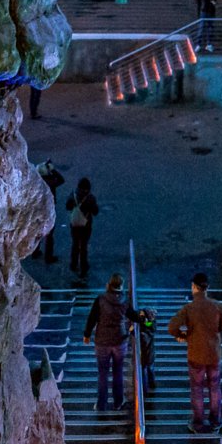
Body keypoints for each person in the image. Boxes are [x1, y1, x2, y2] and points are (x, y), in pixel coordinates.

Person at [169, 273, 222, 434]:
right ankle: (216, 420)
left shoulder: (188, 308)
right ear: (207, 287)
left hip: (196, 354)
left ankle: (197, 422)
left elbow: (172, 327)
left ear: (194, 287)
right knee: (215, 387)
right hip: (214, 354)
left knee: (197, 388)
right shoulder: (217, 306)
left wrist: (183, 335)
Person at [82, 274, 130, 414]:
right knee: (118, 371)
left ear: (108, 284)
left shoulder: (100, 299)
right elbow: (133, 316)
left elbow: (92, 318)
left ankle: (101, 404)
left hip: (102, 342)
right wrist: (147, 320)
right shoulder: (125, 301)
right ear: (121, 286)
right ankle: (118, 402)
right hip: (119, 341)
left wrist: (87, 335)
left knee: (103, 373)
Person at [66, 177, 100, 278]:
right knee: (84, 246)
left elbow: (68, 207)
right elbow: (95, 212)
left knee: (75, 244)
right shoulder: (90, 198)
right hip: (86, 225)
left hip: (75, 224)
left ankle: (73, 264)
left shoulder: (73, 195)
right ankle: (83, 266)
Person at [37, 161, 66, 263]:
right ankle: (48, 257)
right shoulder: (51, 181)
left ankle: (35, 251)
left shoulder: (38, 182)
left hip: (39, 209)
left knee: (38, 230)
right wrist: (53, 170)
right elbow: (62, 180)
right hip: (49, 209)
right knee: (49, 234)